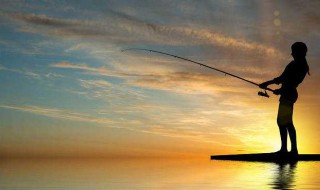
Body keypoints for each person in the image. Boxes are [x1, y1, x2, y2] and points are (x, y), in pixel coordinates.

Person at [259, 42, 310, 155]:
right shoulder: (297, 64)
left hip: (289, 93)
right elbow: (283, 78)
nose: (291, 53)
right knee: (284, 122)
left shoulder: (300, 65)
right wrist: (268, 83)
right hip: (287, 93)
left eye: (293, 51)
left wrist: (279, 89)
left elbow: (290, 81)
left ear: (299, 52)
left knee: (285, 122)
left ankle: (290, 150)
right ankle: (288, 149)